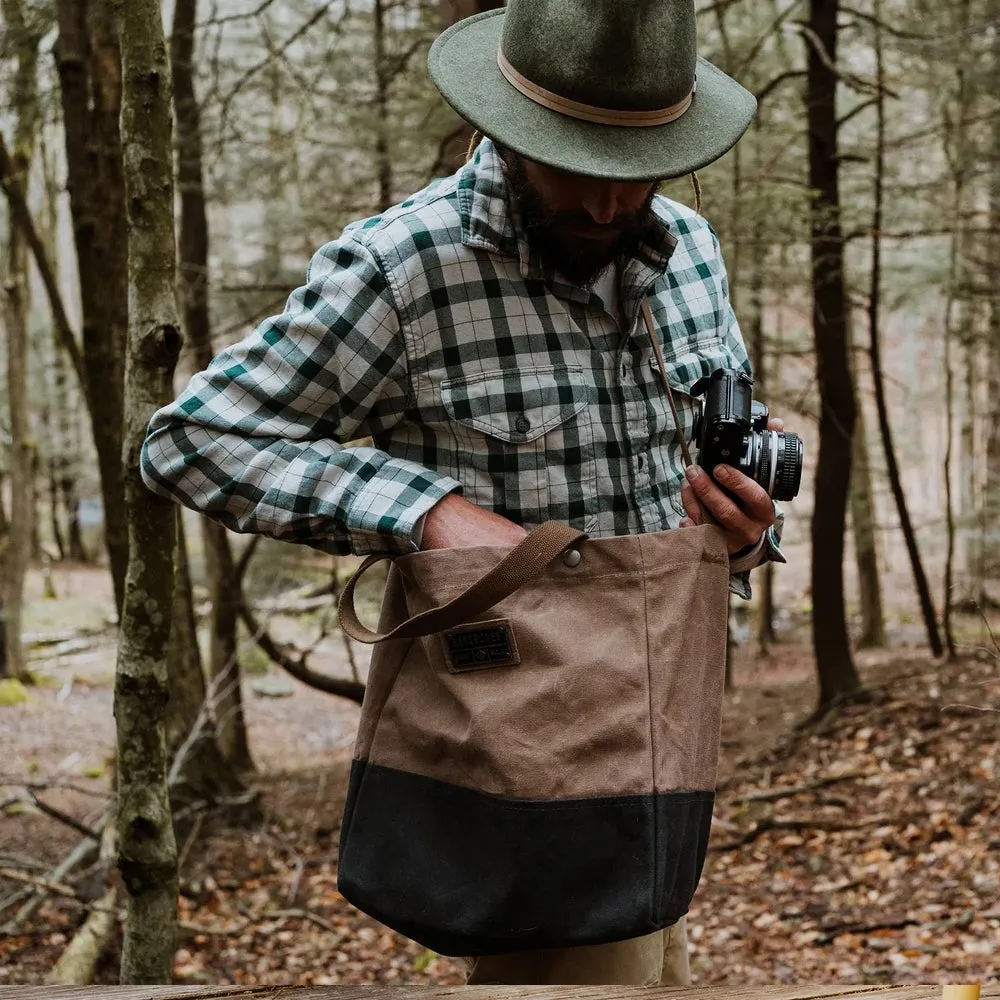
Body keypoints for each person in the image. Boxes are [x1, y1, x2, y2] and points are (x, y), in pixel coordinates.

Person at [141, 0, 787, 985]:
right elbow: (191, 439)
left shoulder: (690, 252)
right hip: (521, 764)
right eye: (578, 166)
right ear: (509, 126)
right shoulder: (408, 268)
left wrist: (741, 529)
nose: (610, 207)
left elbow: (703, 474)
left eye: (635, 171)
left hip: (664, 763)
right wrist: (422, 509)